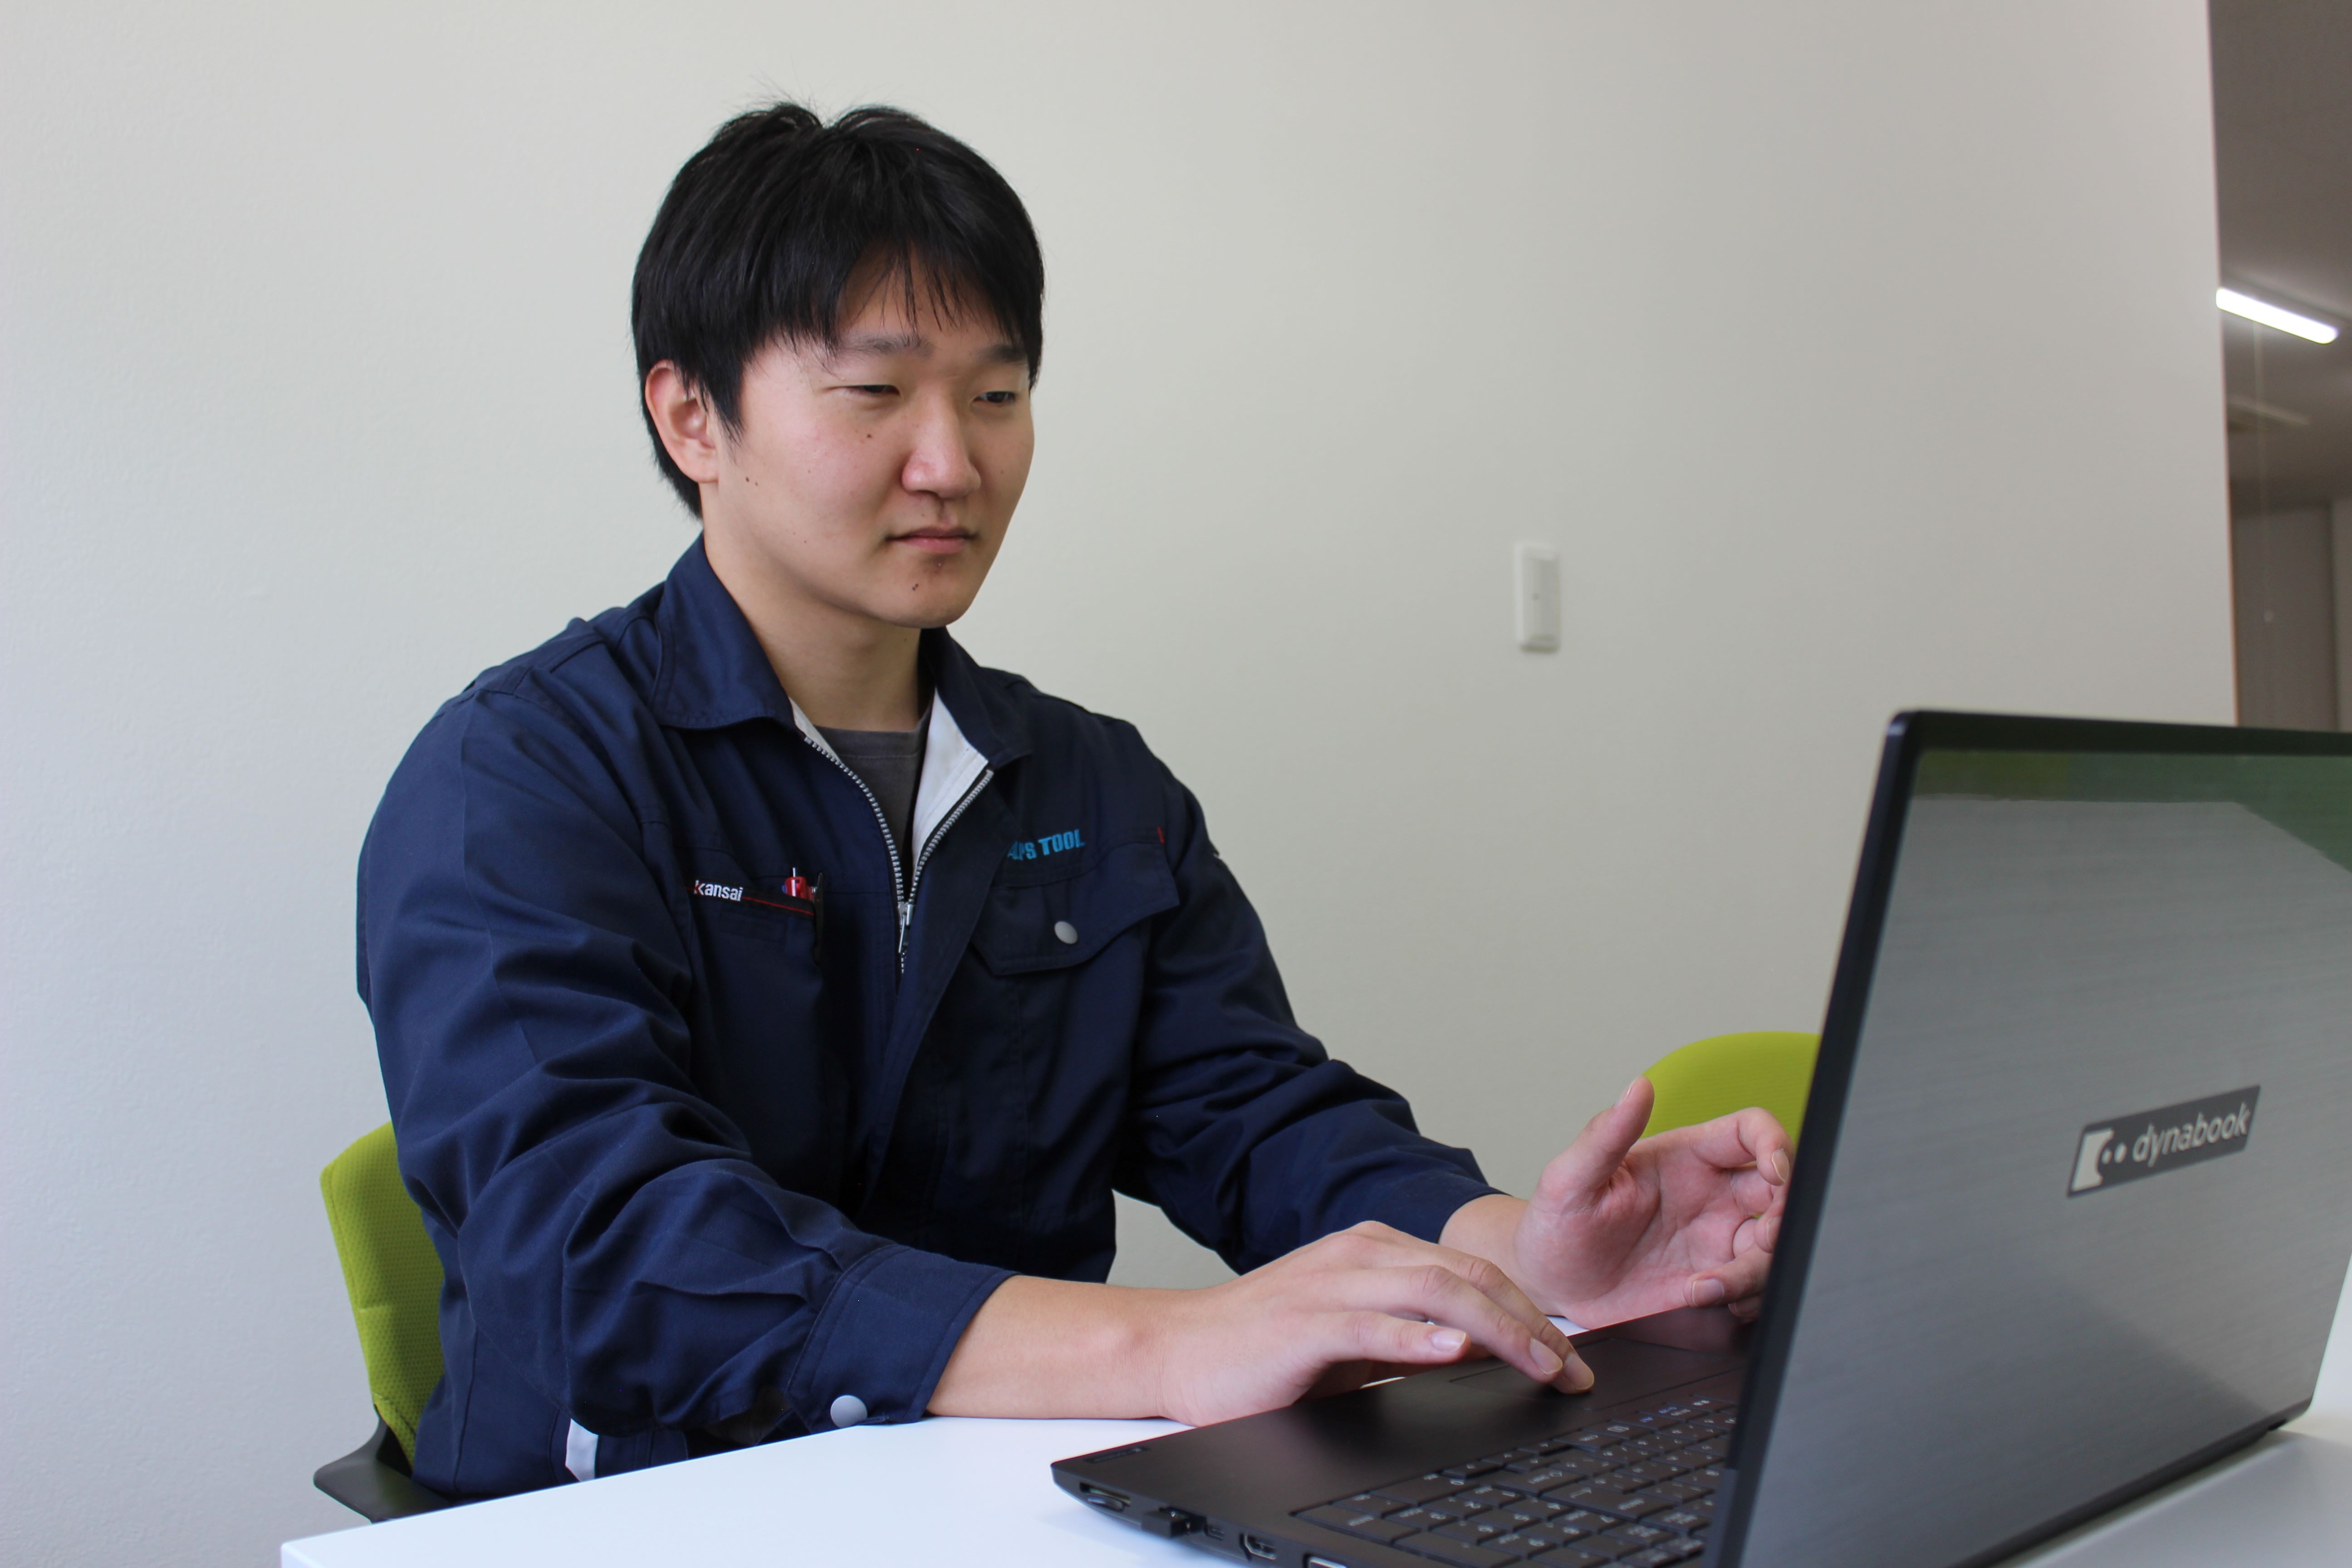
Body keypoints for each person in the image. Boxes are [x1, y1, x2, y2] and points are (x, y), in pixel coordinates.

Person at [358, 101, 1791, 1500]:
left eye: (996, 396)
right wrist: (1167, 1346)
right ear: (693, 418)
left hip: (992, 1503)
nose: (953, 463)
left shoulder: (1091, 783)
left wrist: (1524, 1253)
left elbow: (1254, 1115)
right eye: (876, 394)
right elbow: (597, 1238)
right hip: (635, 1509)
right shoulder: (524, 773)